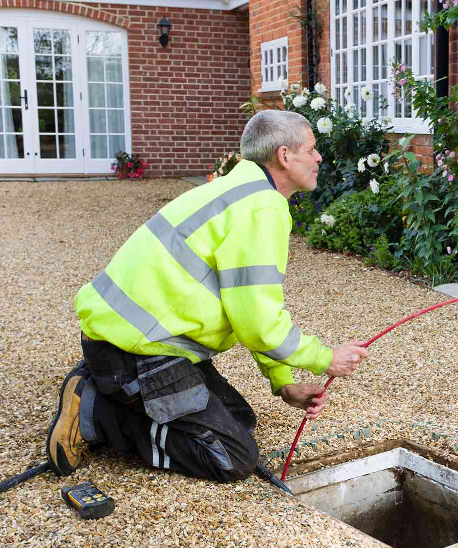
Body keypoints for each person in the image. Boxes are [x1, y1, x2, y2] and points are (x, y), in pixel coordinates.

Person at [46, 110, 369, 482]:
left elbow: (247, 308)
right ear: (284, 156)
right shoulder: (262, 207)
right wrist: (325, 359)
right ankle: (98, 409)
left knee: (240, 421)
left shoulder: (238, 190)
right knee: (230, 457)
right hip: (133, 353)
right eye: (312, 150)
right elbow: (258, 323)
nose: (319, 158)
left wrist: (283, 381)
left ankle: (104, 387)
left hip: (136, 342)